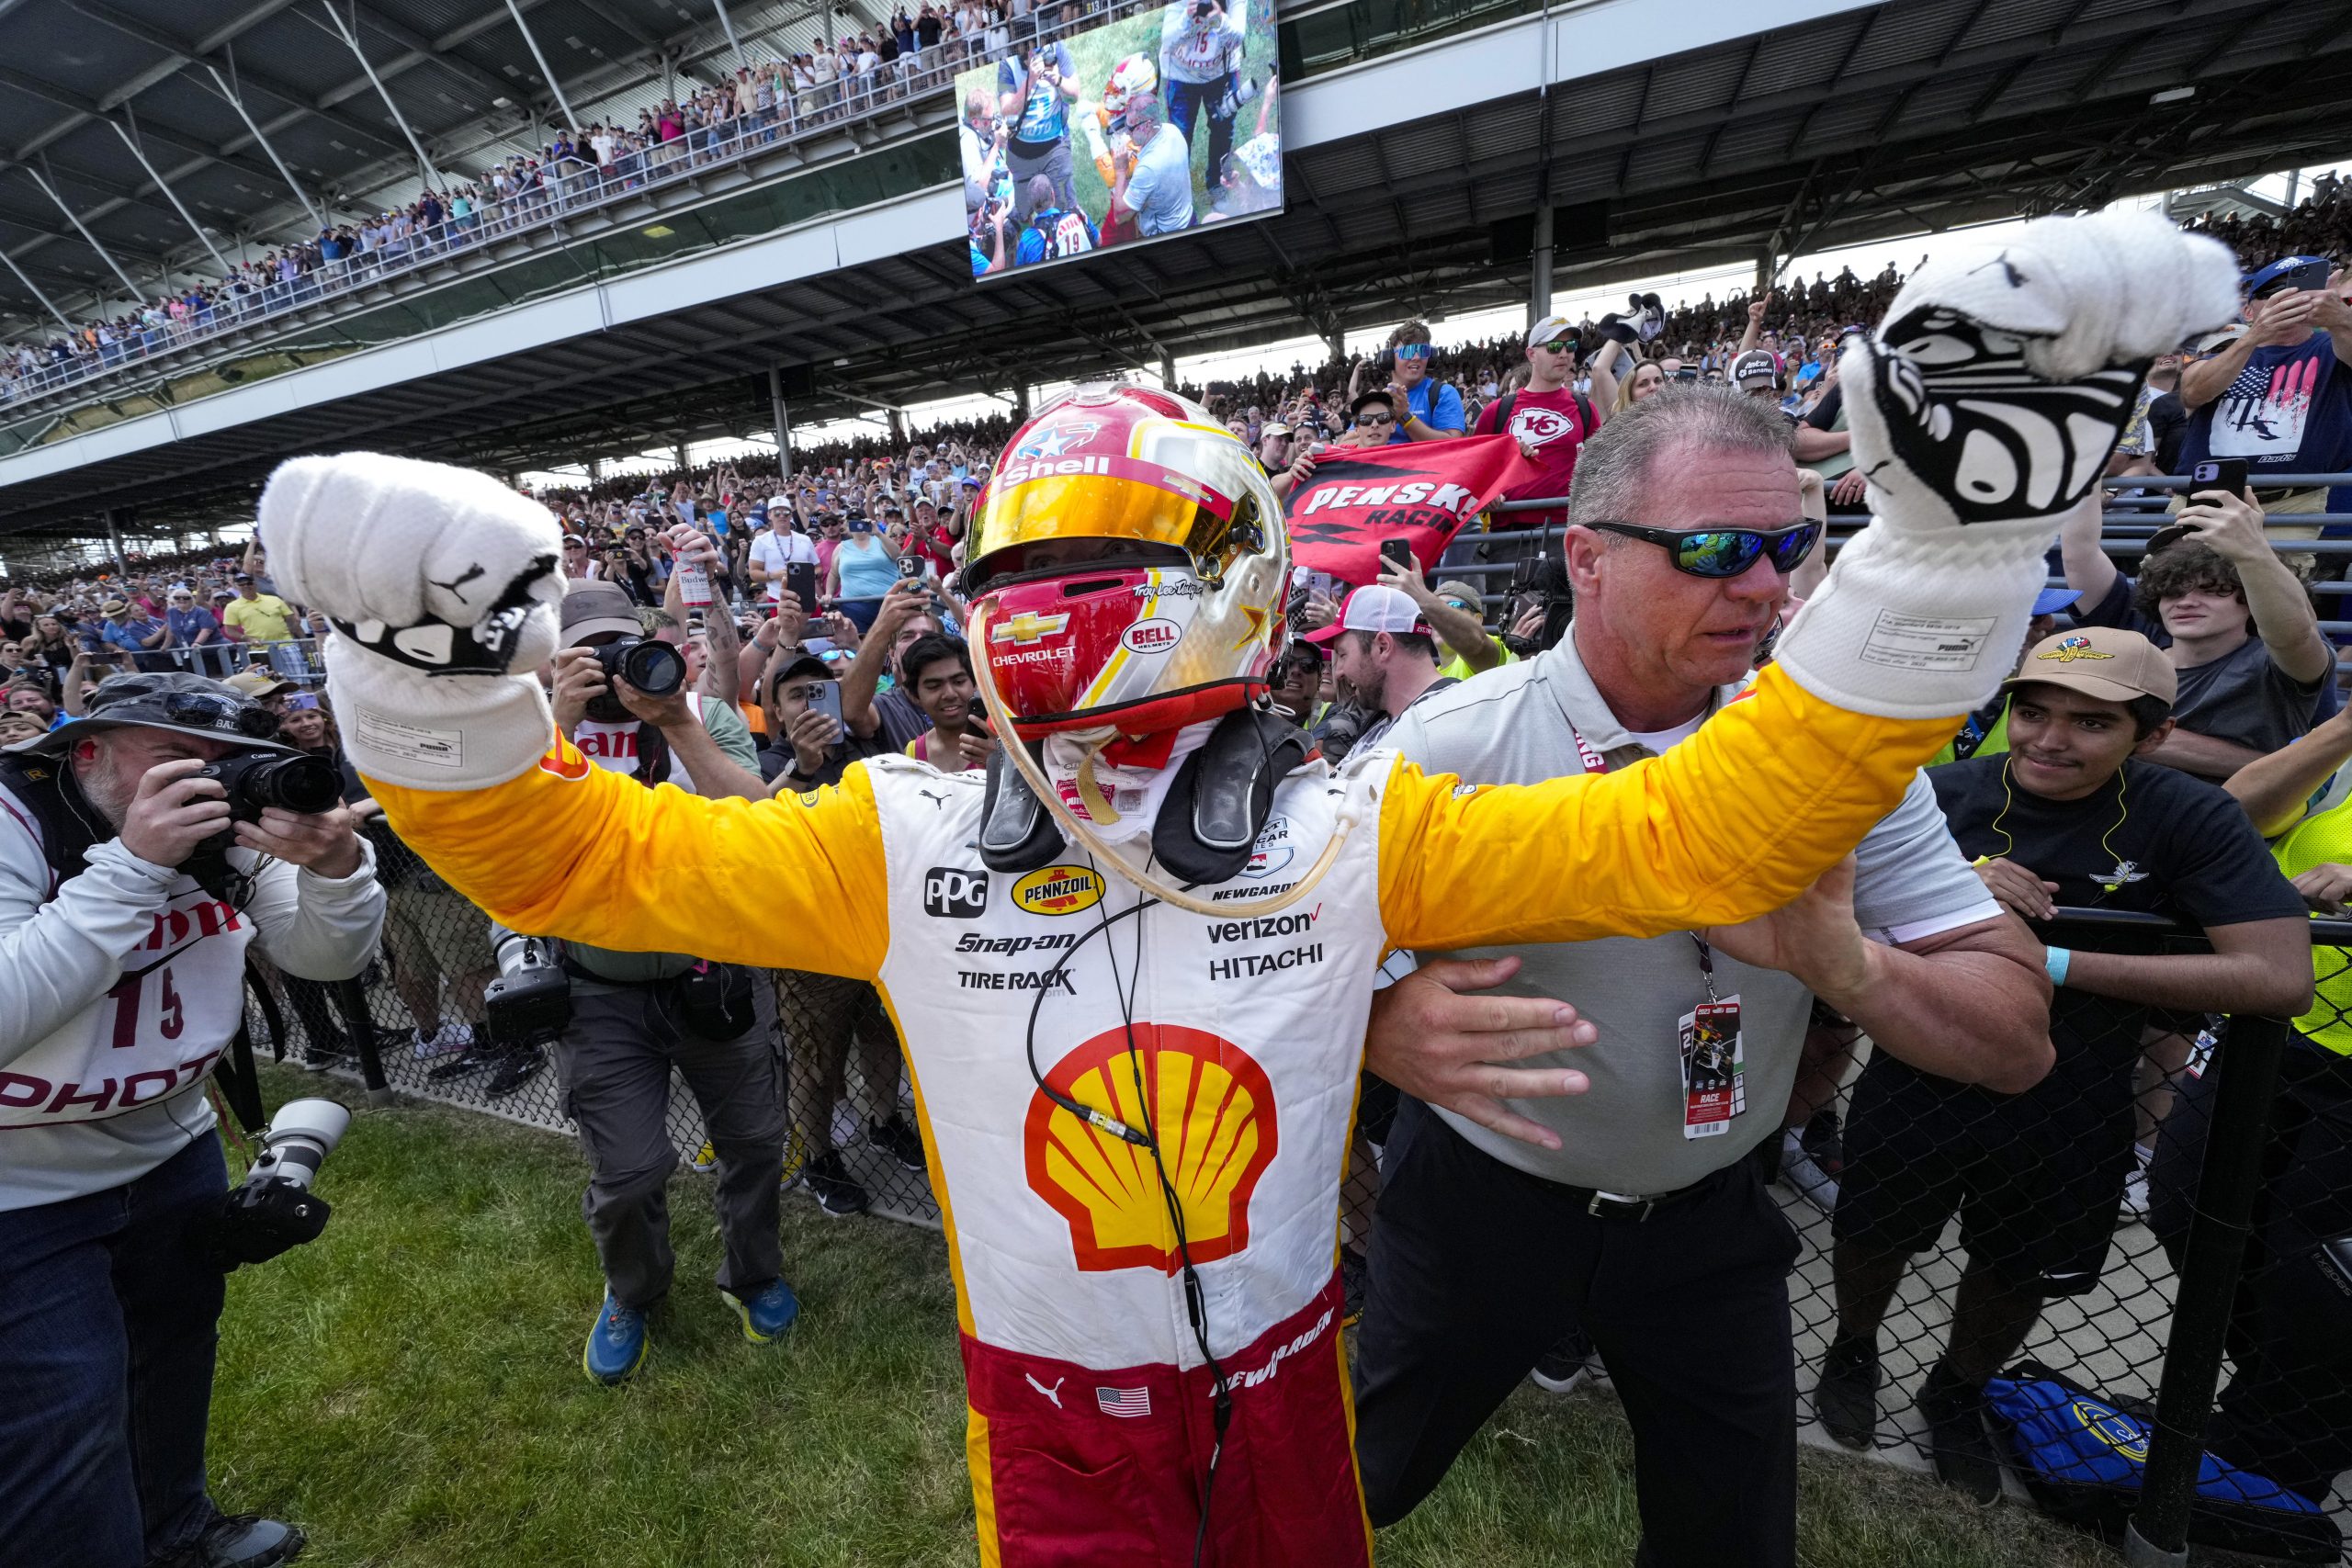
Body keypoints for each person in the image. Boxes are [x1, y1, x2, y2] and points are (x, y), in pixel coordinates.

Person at [256, 214, 2230, 1565]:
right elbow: (573, 852)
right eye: (1021, 576)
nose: (1049, 621)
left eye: (1092, 568)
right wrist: (430, 688)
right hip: (1045, 1397)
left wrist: (1933, 559)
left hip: (1291, 1366)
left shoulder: (1349, 824)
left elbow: (1702, 834)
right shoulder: (895, 836)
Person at [1350, 388, 2053, 1568]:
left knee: (1732, 1544)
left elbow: (2016, 1042)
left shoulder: (1834, 765)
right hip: (1479, 1205)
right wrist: (1374, 1026)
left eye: (1789, 547)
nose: (1769, 587)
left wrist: (1851, 968)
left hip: (1707, 1219)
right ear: (1586, 558)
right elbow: (1251, 966)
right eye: (1716, 551)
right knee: (1353, 1483)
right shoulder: (1446, 746)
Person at [1821, 626, 2311, 1500]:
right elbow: (1818, 903)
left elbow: (2278, 976)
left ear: (2151, 736)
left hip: (2077, 1085)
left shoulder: (2187, 812)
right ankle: (1853, 1348)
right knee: (1875, 1228)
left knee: (2016, 1263)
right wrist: (1961, 883)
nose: (2048, 739)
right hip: (1921, 1063)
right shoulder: (1937, 793)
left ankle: (1958, 1392)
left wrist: (2040, 959)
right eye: (2032, 711)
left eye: (2091, 723)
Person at [0, 672, 385, 1568]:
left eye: (226, 764)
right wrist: (133, 868)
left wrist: (335, 869)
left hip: (167, 1146)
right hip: (19, 1184)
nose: (208, 780)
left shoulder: (226, 838)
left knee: (172, 1357)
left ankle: (177, 1532)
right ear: (86, 751)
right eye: (174, 759)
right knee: (65, 1423)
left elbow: (325, 955)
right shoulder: (17, 820)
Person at [537, 577, 798, 1383]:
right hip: (598, 986)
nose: (613, 666)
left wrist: (676, 718)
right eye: (592, 652)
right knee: (628, 1172)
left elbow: (757, 821)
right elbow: (519, 840)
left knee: (754, 1143)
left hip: (711, 969)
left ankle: (753, 1272)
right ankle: (633, 1288)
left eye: (624, 645)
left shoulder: (707, 717)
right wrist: (557, 725)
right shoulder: (530, 735)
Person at [2056, 484, 2332, 778]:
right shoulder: (2133, 653)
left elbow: (2294, 633)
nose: (2187, 601)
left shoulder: (2275, 665)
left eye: (2214, 590)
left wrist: (2252, 551)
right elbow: (2079, 553)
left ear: (2251, 598)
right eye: (2173, 590)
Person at [2176, 255, 2352, 519]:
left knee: (2284, 563)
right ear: (2248, 312)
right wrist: (2255, 336)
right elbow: (2192, 393)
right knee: (2177, 562)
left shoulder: (2333, 346)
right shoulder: (2223, 356)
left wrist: (2342, 319)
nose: (2289, 298)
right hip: (2205, 497)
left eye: (2302, 290)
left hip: (2293, 503)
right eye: (2274, 292)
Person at [1474, 314, 1612, 529]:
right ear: (1531, 354)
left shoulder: (1584, 408)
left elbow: (1600, 469)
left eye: (1570, 346)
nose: (1564, 354)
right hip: (1510, 532)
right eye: (1554, 346)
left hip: (1568, 528)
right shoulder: (1497, 411)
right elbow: (1476, 471)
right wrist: (1488, 492)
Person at [1301, 584, 1450, 753]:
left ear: (1383, 646)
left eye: (1343, 654)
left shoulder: (1448, 724)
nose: (1339, 671)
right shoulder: (1380, 722)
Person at [1110, 89, 1192, 238]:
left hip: (1166, 236)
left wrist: (1121, 171)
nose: (1127, 133)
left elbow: (1120, 216)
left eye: (1131, 128)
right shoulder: (1173, 131)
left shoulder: (1148, 168)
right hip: (1187, 219)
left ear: (1147, 125)